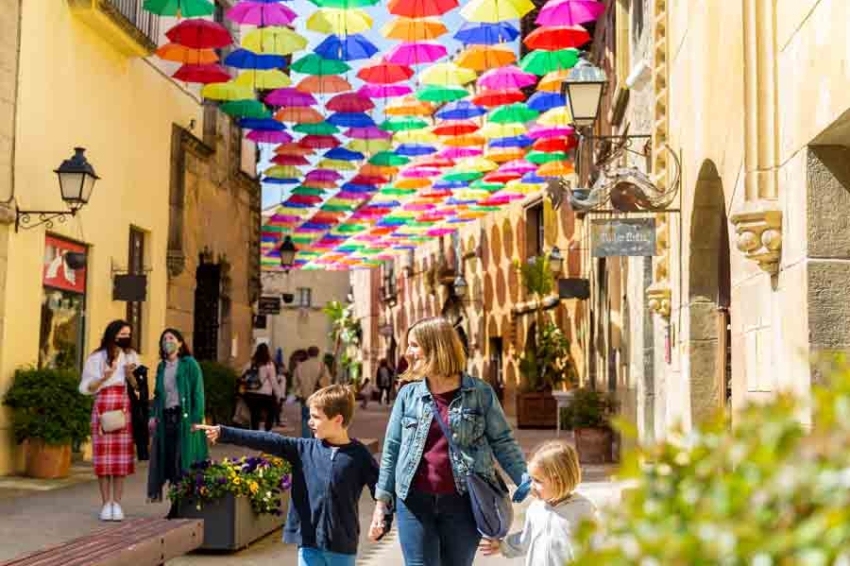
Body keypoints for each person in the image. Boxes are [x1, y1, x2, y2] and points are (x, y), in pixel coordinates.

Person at [369, 317, 527, 566]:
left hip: (463, 501)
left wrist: (525, 479)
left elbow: (502, 442)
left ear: (436, 347)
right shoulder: (408, 395)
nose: (407, 352)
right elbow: (392, 449)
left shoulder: (479, 393)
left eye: (414, 345)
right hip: (413, 501)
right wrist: (382, 502)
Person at [194, 385, 379, 566]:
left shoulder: (359, 456)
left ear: (337, 420)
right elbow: (266, 440)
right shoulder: (302, 449)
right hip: (308, 543)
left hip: (342, 546)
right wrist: (225, 432)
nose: (310, 422)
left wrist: (381, 519)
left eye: (316, 417)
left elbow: (381, 489)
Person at [479, 441, 598, 565]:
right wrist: (504, 546)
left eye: (537, 481)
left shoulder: (583, 510)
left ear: (558, 480)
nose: (531, 486)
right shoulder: (535, 509)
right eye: (531, 479)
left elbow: (594, 549)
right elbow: (526, 540)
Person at [79, 320, 139, 522]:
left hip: (123, 406)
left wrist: (130, 376)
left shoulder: (131, 355)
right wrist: (104, 378)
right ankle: (105, 503)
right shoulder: (97, 357)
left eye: (128, 334)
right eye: (122, 334)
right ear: (112, 334)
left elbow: (138, 387)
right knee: (104, 460)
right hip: (103, 405)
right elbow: (86, 388)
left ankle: (117, 503)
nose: (125, 337)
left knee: (120, 460)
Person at [146, 328, 209, 517]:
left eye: (171, 338)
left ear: (180, 343)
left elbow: (198, 393)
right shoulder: (162, 367)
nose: (168, 341)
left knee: (183, 462)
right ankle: (176, 503)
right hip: (166, 420)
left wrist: (197, 419)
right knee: (169, 462)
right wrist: (153, 415)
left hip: (184, 420)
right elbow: (158, 395)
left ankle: (180, 506)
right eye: (164, 339)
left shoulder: (189, 364)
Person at [242, 343, 283, 431]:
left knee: (254, 414)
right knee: (271, 411)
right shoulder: (269, 364)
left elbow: (243, 376)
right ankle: (267, 430)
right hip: (265, 394)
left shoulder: (250, 363)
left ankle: (255, 432)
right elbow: (273, 381)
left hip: (251, 393)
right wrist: (278, 394)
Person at [293, 346, 331, 438]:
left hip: (305, 397)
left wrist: (300, 391)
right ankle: (317, 438)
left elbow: (295, 383)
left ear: (308, 354)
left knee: (305, 418)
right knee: (318, 418)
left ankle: (306, 440)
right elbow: (327, 382)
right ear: (318, 353)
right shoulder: (322, 366)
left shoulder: (300, 366)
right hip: (318, 396)